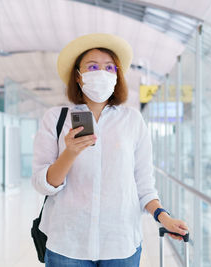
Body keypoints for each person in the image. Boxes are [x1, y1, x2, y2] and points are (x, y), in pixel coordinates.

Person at [31, 33, 189, 267]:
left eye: (109, 68)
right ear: (78, 75)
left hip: (120, 243)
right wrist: (70, 153)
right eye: (92, 66)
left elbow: (143, 184)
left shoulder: (132, 120)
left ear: (117, 76)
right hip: (68, 244)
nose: (101, 73)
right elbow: (42, 183)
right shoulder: (56, 118)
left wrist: (163, 217)